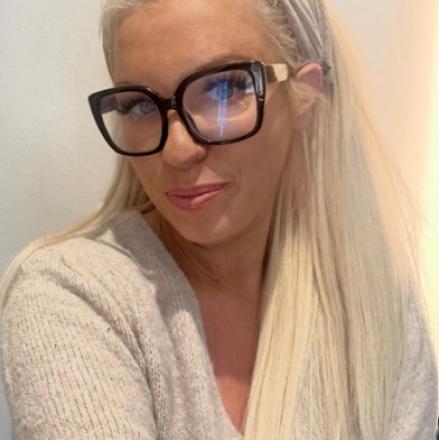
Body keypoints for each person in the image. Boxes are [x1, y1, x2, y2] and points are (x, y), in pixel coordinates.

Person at [0, 0, 437, 438]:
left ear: (303, 95)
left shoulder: (376, 311)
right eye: (139, 105)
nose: (178, 151)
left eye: (223, 89)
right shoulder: (74, 298)